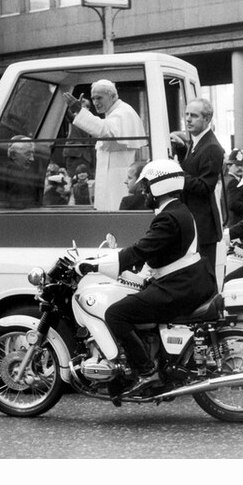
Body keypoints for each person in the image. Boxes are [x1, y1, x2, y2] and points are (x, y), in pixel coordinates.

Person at [85, 159, 217, 405]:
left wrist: (96, 265)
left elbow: (141, 249)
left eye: (146, 186)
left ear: (160, 185)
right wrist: (133, 265)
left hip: (180, 288)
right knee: (133, 302)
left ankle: (147, 372)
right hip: (187, 282)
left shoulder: (169, 217)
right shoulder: (177, 211)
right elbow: (156, 251)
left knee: (116, 313)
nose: (143, 192)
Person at [63, 79, 144, 211]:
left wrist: (80, 111)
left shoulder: (123, 112)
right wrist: (77, 116)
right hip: (111, 177)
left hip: (118, 178)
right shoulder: (113, 113)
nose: (95, 102)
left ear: (113, 96)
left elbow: (104, 130)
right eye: (93, 98)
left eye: (99, 98)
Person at [170, 98, 225, 269]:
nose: (188, 119)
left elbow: (204, 187)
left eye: (194, 116)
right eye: (186, 114)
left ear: (207, 119)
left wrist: (177, 172)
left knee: (203, 276)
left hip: (203, 227)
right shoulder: (197, 142)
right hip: (195, 224)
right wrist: (181, 150)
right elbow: (193, 168)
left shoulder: (211, 147)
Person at [224, 149, 243, 227]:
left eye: (241, 165)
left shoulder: (226, 179)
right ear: (229, 166)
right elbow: (233, 204)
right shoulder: (234, 182)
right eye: (237, 165)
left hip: (228, 221)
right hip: (236, 222)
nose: (240, 168)